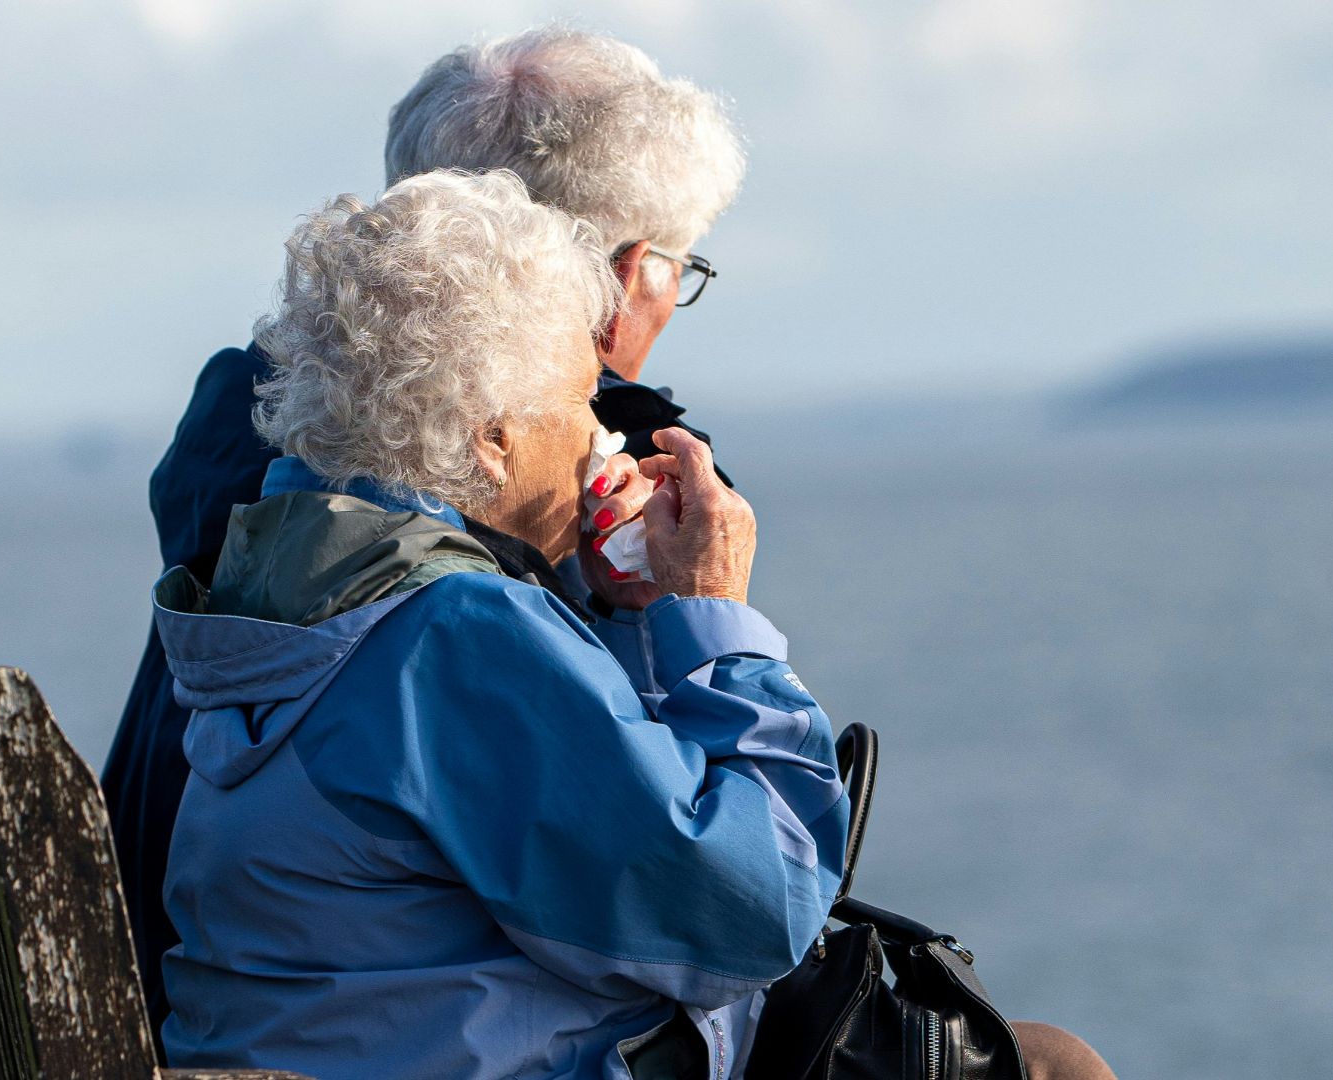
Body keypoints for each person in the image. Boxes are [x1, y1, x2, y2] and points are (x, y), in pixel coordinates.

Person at [101, 26, 748, 1045]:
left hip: (172, 960)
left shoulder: (264, 437)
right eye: (680, 262)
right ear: (618, 275)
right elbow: (709, 906)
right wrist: (701, 617)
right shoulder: (487, 545)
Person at [153, 170, 847, 1078]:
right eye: (577, 399)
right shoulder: (453, 632)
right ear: (492, 437)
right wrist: (711, 615)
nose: (599, 431)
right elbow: (752, 915)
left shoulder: (287, 579)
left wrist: (625, 612)